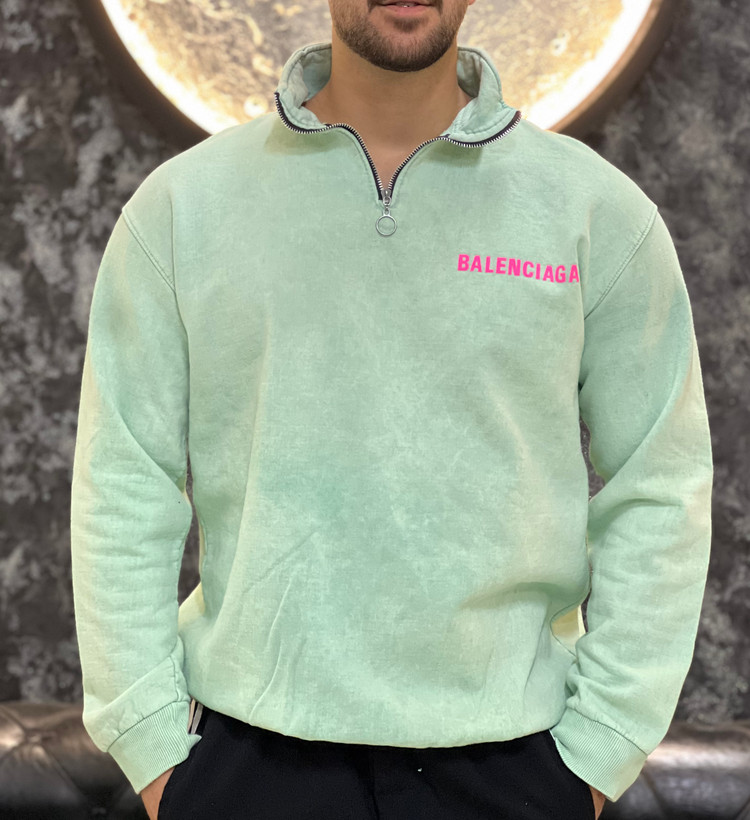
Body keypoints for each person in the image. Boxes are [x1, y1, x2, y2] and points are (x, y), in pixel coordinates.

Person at [69, 0, 713, 818]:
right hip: (247, 761)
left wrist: (600, 747)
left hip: (516, 765)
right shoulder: (181, 208)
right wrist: (154, 746)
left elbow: (661, 487)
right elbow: (123, 484)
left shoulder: (598, 214)